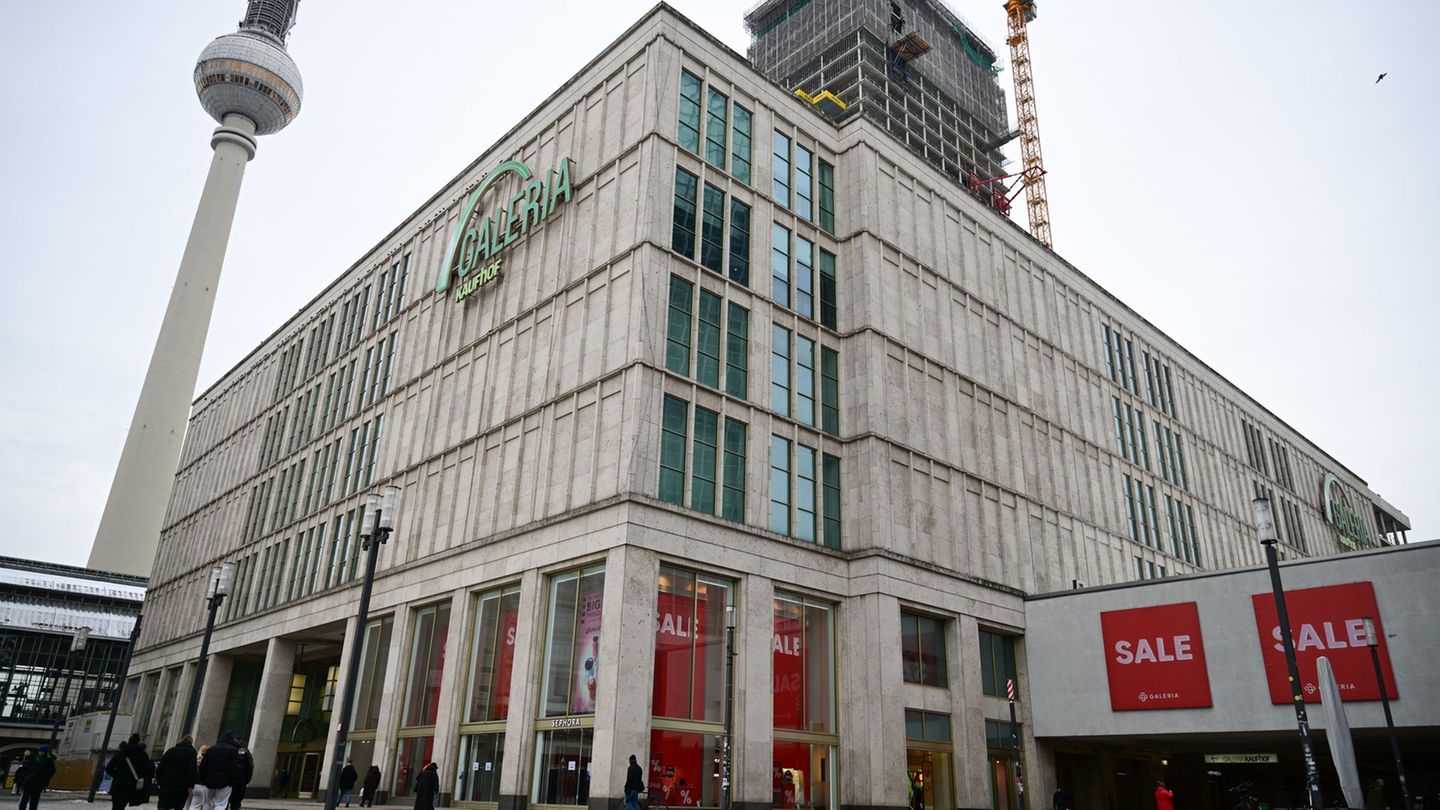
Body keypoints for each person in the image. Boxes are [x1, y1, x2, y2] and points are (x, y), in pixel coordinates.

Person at [105, 734, 155, 810]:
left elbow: (108, 768)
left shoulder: (120, 753)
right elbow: (147, 770)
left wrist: (117, 775)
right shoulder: (142, 754)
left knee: (115, 805)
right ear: (138, 742)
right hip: (131, 784)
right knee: (121, 805)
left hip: (117, 783)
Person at [196, 731, 242, 810]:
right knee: (221, 804)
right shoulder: (233, 750)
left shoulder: (211, 749)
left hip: (209, 780)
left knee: (207, 803)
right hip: (225, 781)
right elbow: (234, 768)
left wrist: (203, 779)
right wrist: (232, 782)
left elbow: (203, 766)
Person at [156, 736, 199, 810]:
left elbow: (160, 767)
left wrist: (159, 781)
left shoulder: (170, 751)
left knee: (163, 805)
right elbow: (192, 769)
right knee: (178, 805)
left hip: (166, 784)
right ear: (191, 743)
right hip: (181, 786)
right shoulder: (192, 752)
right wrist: (191, 785)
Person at [17, 746, 56, 810]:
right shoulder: (33, 758)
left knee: (34, 801)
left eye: (42, 752)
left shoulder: (48, 761)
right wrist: (24, 777)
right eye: (40, 751)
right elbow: (26, 769)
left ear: (46, 752)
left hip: (38, 784)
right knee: (24, 800)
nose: (40, 753)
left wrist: (44, 779)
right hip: (28, 783)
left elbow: (51, 772)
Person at [227, 740, 253, 810]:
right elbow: (250, 768)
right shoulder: (246, 752)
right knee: (236, 803)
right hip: (240, 783)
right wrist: (246, 781)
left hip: (227, 783)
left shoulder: (227, 751)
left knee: (223, 803)